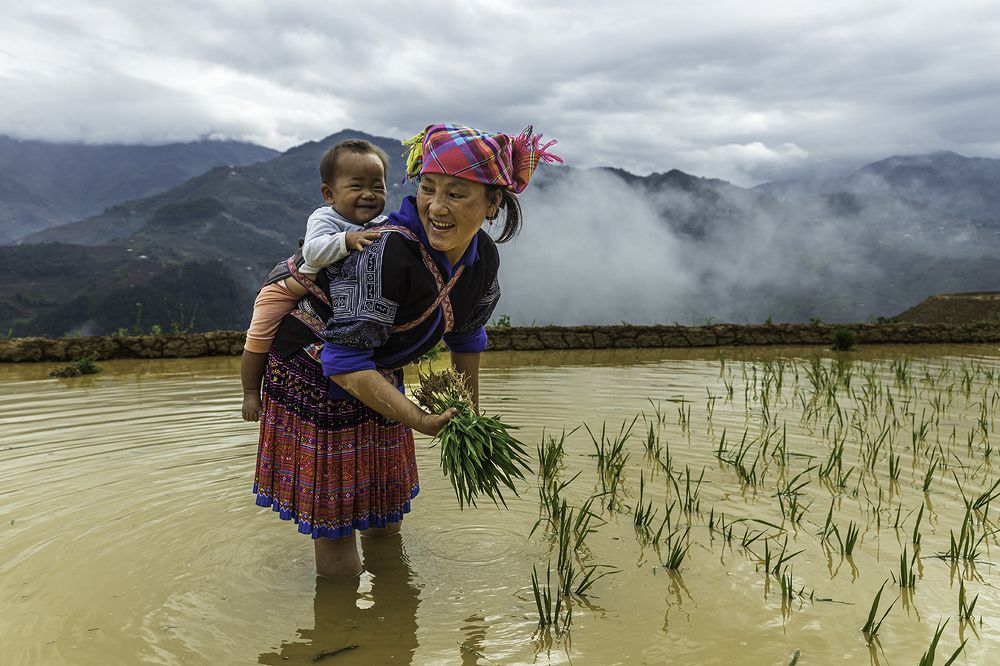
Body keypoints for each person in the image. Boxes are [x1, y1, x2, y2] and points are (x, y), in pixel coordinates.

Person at [250, 123, 562, 578]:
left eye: (457, 194)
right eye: (428, 189)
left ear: (493, 203)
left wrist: (468, 413)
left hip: (376, 364)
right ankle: (344, 633)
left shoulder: (482, 259)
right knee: (337, 528)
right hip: (315, 368)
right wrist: (417, 418)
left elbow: (466, 337)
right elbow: (342, 360)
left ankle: (394, 623)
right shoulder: (385, 252)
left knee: (385, 510)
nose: (436, 207)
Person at [241, 139, 388, 422]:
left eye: (377, 187)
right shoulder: (325, 219)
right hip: (287, 287)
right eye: (357, 186)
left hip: (324, 295)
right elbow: (313, 252)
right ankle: (249, 391)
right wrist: (347, 239)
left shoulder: (380, 223)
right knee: (258, 336)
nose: (368, 194)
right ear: (329, 194)